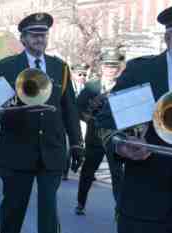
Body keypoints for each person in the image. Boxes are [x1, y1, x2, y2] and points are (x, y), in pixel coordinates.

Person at [0, 13, 84, 233]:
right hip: (17, 150)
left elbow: (69, 108)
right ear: (23, 38)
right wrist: (7, 111)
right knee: (13, 210)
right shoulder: (6, 66)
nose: (40, 39)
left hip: (51, 150)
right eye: (34, 35)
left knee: (49, 212)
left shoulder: (60, 67)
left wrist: (77, 143)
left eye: (43, 34)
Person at [96, 6, 172, 233]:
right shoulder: (141, 72)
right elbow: (106, 123)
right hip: (147, 203)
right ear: (169, 37)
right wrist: (121, 145)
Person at [75, 49, 125, 215]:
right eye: (107, 66)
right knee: (88, 172)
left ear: (118, 68)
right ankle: (80, 203)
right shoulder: (91, 86)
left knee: (117, 174)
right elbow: (77, 108)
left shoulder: (123, 84)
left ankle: (120, 208)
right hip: (94, 137)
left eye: (114, 67)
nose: (111, 69)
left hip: (115, 137)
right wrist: (88, 117)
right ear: (102, 67)